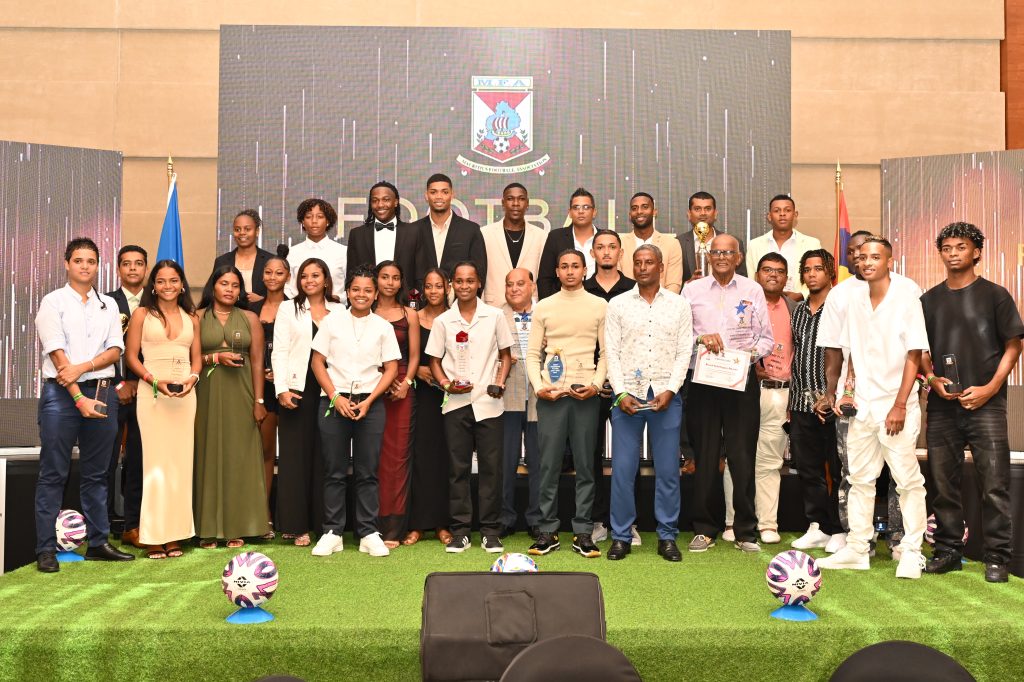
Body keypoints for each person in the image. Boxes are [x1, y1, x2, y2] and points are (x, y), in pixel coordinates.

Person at [816, 237, 929, 579]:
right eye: (862, 257)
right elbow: (849, 354)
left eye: (875, 257)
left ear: (889, 261)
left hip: (896, 406)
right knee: (859, 479)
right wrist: (843, 393)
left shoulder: (906, 297)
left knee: (907, 481)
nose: (867, 262)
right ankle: (857, 547)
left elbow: (915, 354)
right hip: (862, 406)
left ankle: (911, 551)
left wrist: (899, 405)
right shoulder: (853, 299)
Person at [920, 222, 1023, 583]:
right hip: (942, 406)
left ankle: (997, 558)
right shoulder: (928, 300)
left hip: (987, 405)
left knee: (994, 484)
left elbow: (1014, 345)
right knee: (942, 483)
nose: (953, 253)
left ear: (976, 252)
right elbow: (919, 350)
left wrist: (991, 388)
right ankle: (948, 551)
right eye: (947, 248)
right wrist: (931, 379)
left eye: (961, 247)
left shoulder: (995, 295)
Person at [34, 237, 135, 572]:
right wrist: (79, 397)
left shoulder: (108, 305)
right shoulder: (53, 302)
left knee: (97, 474)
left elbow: (115, 350)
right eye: (78, 260)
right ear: (67, 264)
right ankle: (45, 549)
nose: (85, 266)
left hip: (103, 393)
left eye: (91, 261)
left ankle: (97, 543)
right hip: (62, 396)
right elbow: (57, 354)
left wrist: (83, 367)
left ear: (98, 266)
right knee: (54, 473)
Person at [682, 233, 775, 553]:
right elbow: (680, 337)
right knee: (705, 456)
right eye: (717, 252)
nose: (721, 257)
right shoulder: (692, 290)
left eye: (728, 252)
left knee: (742, 456)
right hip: (703, 382)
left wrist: (746, 356)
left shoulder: (752, 290)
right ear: (709, 256)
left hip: (740, 381)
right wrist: (699, 340)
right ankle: (704, 528)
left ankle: (745, 531)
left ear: (739, 258)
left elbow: (767, 339)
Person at [605, 245, 692, 562]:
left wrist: (671, 389)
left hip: (665, 395)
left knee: (668, 470)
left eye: (649, 262)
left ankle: (667, 536)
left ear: (661, 267)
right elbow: (611, 352)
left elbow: (684, 351)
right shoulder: (617, 304)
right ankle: (621, 536)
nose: (643, 267)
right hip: (627, 396)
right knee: (622, 470)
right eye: (638, 263)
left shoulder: (679, 305)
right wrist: (620, 393)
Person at [310, 266, 400, 558]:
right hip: (334, 402)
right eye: (356, 289)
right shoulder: (331, 322)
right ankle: (332, 532)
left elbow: (391, 368)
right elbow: (317, 362)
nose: (362, 295)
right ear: (348, 292)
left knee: (368, 472)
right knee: (334, 471)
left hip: (370, 405)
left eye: (368, 290)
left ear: (375, 294)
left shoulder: (383, 327)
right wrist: (335, 397)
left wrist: (370, 400)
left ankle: (368, 532)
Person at [426, 262, 513, 554]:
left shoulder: (495, 315)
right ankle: (460, 531)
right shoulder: (444, 321)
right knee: (457, 470)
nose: (465, 286)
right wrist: (446, 384)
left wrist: (499, 383)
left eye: (470, 281)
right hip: (456, 404)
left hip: (489, 404)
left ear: (479, 284)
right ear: (452, 284)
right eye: (460, 281)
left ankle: (490, 531)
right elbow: (434, 361)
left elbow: (506, 355)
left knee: (491, 470)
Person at [526, 250, 607, 558]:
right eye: (564, 267)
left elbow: (606, 353)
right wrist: (539, 387)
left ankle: (583, 532)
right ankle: (547, 531)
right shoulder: (544, 306)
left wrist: (596, 385)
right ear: (557, 272)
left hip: (586, 395)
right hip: (551, 396)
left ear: (585, 270)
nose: (570, 271)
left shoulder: (599, 305)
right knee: (548, 466)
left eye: (575, 266)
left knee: (586, 466)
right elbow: (533, 354)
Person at [124, 259, 201, 559]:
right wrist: (153, 381)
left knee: (180, 465)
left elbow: (197, 358)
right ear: (153, 285)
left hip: (185, 397)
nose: (167, 286)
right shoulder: (142, 314)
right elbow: (131, 356)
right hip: (153, 394)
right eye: (161, 280)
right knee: (155, 465)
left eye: (173, 280)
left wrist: (193, 379)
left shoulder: (192, 317)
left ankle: (176, 535)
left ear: (182, 285)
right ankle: (154, 535)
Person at [194, 266, 270, 548]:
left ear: (241, 290)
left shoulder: (250, 318)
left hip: (242, 393)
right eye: (224, 283)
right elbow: (188, 359)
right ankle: (207, 528)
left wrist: (259, 401)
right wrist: (214, 359)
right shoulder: (196, 317)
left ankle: (238, 525)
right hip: (206, 393)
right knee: (206, 454)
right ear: (213, 286)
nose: (229, 289)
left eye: (235, 285)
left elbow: (258, 361)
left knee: (240, 456)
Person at [272, 257, 341, 546]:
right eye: (304, 276)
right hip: (297, 390)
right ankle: (296, 525)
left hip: (330, 390)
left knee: (326, 457)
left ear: (326, 280)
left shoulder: (340, 310)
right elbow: (279, 351)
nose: (309, 280)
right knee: (295, 459)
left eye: (315, 275)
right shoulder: (288, 308)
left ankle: (324, 524)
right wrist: (281, 389)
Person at [788, 250, 844, 550]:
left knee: (837, 469)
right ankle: (817, 525)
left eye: (818, 269)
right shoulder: (797, 311)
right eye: (807, 269)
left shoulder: (840, 307)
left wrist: (833, 394)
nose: (812, 274)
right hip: (800, 401)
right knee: (808, 469)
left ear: (830, 272)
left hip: (832, 403)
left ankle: (839, 529)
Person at [582, 230, 635, 544]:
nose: (606, 252)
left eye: (612, 247)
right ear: (592, 253)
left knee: (626, 457)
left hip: (625, 384)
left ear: (620, 252)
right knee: (589, 455)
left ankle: (627, 521)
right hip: (590, 383)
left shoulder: (633, 289)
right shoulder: (582, 289)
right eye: (600, 247)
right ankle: (597, 519)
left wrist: (617, 379)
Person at [403, 268, 453, 547]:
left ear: (447, 288)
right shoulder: (414, 317)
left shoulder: (455, 317)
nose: (434, 291)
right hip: (420, 395)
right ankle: (417, 524)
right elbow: (407, 356)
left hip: (451, 396)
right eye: (429, 286)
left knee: (445, 458)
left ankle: (443, 524)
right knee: (420, 457)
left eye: (439, 286)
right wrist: (419, 371)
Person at [751, 253, 797, 544]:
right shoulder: (745, 305)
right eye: (767, 270)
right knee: (738, 458)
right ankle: (733, 521)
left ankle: (767, 524)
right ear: (757, 275)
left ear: (786, 278)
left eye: (779, 271)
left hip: (781, 392)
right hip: (748, 391)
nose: (773, 275)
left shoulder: (795, 308)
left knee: (770, 461)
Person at [374, 260, 420, 548]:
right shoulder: (365, 311)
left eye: (395, 278)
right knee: (374, 456)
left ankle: (395, 526)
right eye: (384, 277)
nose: (389, 282)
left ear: (401, 282)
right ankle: (372, 524)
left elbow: (414, 356)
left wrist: (406, 383)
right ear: (376, 280)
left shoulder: (409, 314)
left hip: (403, 389)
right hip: (372, 386)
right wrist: (381, 379)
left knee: (399, 457)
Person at [106, 244, 147, 549]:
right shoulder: (105, 302)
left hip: (149, 392)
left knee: (139, 460)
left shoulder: (158, 301)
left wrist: (140, 382)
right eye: (127, 263)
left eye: (138, 263)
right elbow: (99, 347)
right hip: (112, 391)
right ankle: (104, 524)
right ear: (119, 268)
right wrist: (120, 383)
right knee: (106, 462)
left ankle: (136, 523)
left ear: (146, 268)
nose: (133, 268)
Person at [499, 268, 541, 539]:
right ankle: (504, 518)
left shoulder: (546, 312)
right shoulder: (494, 316)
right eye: (509, 284)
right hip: (506, 397)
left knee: (540, 461)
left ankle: (537, 519)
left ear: (532, 286)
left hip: (540, 396)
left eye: (520, 283)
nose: (514, 289)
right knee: (505, 462)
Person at [251, 247, 290, 521]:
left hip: (288, 388)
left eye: (279, 272)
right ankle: (262, 513)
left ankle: (289, 515)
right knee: (263, 451)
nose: (272, 277)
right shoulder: (251, 308)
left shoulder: (297, 307)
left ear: (288, 276)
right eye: (268, 272)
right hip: (259, 388)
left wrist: (282, 373)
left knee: (290, 453)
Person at [411, 173, 486, 290]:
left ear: (452, 195)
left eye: (445, 192)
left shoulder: (470, 230)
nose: (439, 197)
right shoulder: (413, 230)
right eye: (433, 192)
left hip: (459, 299)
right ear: (426, 195)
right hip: (422, 299)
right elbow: (407, 272)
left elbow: (479, 273)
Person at [480, 183, 547, 307]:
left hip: (529, 308)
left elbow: (544, 276)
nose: (516, 203)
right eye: (510, 199)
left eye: (521, 199)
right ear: (503, 203)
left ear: (527, 203)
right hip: (494, 306)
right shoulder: (485, 234)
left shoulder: (541, 236)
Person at [745, 195, 821, 300]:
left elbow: (819, 278)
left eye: (787, 210)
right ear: (769, 216)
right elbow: (752, 280)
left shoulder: (812, 244)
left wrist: (801, 295)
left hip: (801, 303)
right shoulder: (754, 245)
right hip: (764, 303)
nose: (782, 214)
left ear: (795, 215)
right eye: (777, 211)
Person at [346, 181, 421, 279]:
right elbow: (351, 276)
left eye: (386, 199)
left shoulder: (414, 232)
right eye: (375, 200)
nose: (380, 205)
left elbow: (420, 275)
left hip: (404, 289)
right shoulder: (357, 235)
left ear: (396, 202)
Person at [537, 188, 600, 299]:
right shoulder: (555, 237)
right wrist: (548, 305)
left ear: (594, 212)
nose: (581, 211)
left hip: (598, 301)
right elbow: (545, 279)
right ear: (569, 212)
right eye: (576, 207)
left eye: (586, 207)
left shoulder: (604, 238)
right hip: (562, 301)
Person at [618, 192, 683, 293]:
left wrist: (657, 302)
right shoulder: (619, 244)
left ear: (654, 212)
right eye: (634, 208)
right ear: (630, 214)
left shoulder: (671, 244)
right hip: (626, 301)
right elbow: (617, 282)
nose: (639, 211)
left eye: (645, 207)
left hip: (663, 302)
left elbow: (673, 284)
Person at [678, 191, 747, 285]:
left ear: (715, 213)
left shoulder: (734, 242)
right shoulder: (678, 243)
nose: (703, 213)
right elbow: (673, 283)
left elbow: (742, 280)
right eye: (697, 209)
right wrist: (689, 284)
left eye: (708, 209)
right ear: (689, 214)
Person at [285, 198, 347, 301]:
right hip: (298, 308)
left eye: (320, 217)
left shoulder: (343, 252)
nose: (314, 221)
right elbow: (286, 286)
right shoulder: (292, 252)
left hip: (334, 308)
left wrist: (339, 298)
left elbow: (353, 284)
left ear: (328, 221)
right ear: (302, 222)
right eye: (308, 217)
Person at [213, 209, 276, 303]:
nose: (242, 233)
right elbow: (212, 292)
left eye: (247, 229)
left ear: (257, 231)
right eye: (237, 229)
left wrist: (263, 300)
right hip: (229, 311)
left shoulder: (271, 260)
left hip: (260, 311)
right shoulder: (222, 261)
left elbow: (281, 295)